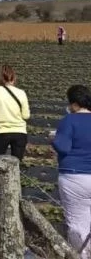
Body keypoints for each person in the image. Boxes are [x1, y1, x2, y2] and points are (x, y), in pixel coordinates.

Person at [53, 85, 91, 257]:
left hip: (74, 176)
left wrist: (53, 139)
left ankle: (81, 255)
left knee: (77, 222)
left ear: (74, 103)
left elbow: (63, 147)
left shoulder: (69, 120)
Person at [0, 65, 30, 163]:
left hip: (1, 132)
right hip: (20, 132)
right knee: (16, 164)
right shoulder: (21, 92)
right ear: (14, 77)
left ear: (0, 78)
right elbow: (26, 115)